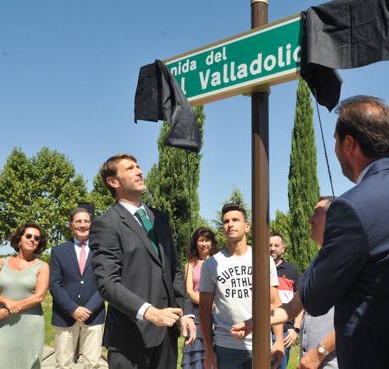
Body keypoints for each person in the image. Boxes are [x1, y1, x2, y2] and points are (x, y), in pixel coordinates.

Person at [298, 96, 389, 369]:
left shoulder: (351, 208)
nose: (334, 150)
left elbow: (315, 298)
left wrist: (326, 243)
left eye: (335, 141)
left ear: (349, 144)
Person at [90, 153, 196, 369]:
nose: (139, 171)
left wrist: (185, 313)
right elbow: (108, 284)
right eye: (130, 168)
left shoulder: (160, 219)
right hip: (131, 339)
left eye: (138, 166)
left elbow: (174, 270)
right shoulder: (106, 224)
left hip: (166, 336)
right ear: (113, 181)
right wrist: (149, 312)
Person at [231, 196, 339, 369]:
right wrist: (255, 322)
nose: (309, 219)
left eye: (316, 214)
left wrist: (320, 352)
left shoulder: (347, 260)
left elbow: (355, 318)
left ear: (335, 218)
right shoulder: (318, 262)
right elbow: (291, 308)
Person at [199, 203, 284, 369]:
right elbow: (204, 309)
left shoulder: (263, 259)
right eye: (226, 221)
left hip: (261, 343)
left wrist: (279, 340)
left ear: (246, 226)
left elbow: (274, 302)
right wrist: (209, 349)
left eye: (235, 220)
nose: (230, 224)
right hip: (226, 347)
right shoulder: (211, 264)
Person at [0, 222, 50, 369]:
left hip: (30, 325)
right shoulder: (1, 262)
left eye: (37, 238)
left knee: (26, 364)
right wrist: (7, 301)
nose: (33, 239)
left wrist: (11, 309)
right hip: (1, 323)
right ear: (19, 239)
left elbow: (39, 297)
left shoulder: (42, 266)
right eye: (29, 236)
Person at [50, 207, 105, 369]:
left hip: (94, 315)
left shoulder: (102, 250)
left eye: (86, 221)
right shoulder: (58, 251)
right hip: (65, 316)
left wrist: (88, 308)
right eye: (78, 221)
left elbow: (105, 283)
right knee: (63, 364)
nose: (83, 225)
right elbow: (54, 284)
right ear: (71, 225)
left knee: (93, 364)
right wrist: (73, 309)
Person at [181, 226, 218, 369]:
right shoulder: (190, 263)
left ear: (212, 242)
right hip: (196, 313)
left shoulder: (218, 261)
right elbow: (189, 292)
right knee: (196, 353)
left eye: (207, 240)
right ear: (196, 243)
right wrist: (208, 304)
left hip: (217, 312)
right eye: (200, 240)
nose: (204, 244)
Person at [269, 233, 302, 369]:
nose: (272, 248)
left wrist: (296, 329)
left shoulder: (292, 271)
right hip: (261, 331)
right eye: (269, 245)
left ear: (283, 249)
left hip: (285, 332)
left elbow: (300, 301)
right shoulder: (258, 269)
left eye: (276, 245)